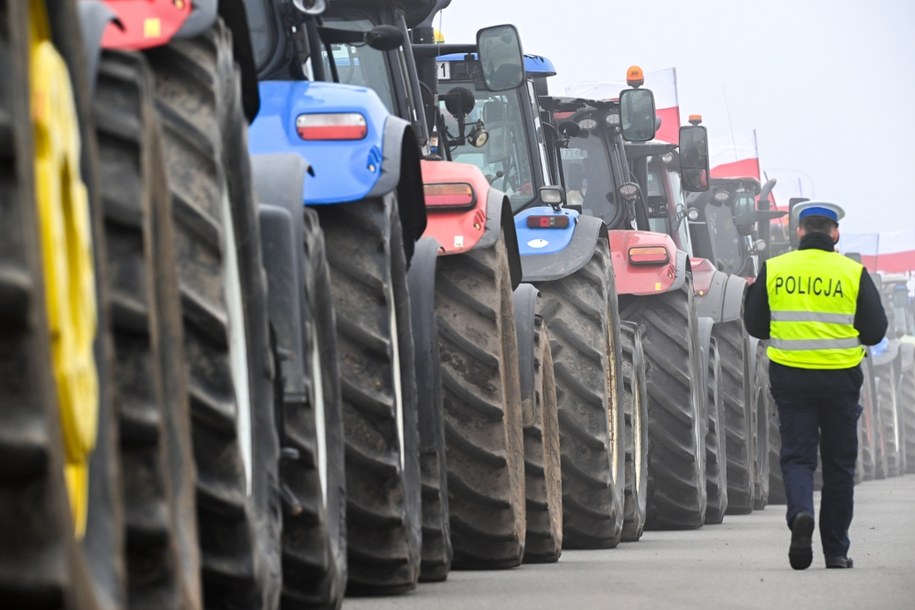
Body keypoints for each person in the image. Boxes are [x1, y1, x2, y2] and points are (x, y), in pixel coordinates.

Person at [743, 201, 887, 571]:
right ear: (835, 233)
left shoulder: (775, 269)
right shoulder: (853, 273)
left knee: (798, 457)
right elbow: (875, 331)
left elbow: (755, 326)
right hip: (840, 381)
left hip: (791, 379)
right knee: (839, 466)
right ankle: (836, 551)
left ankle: (801, 514)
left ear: (800, 232)